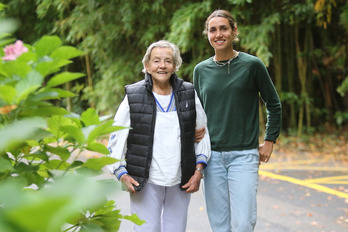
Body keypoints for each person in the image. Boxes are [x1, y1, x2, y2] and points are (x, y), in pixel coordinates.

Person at [107, 40, 210, 232]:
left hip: (181, 178)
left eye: (168, 61)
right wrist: (120, 172)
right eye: (156, 61)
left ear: (175, 65)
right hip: (145, 180)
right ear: (147, 66)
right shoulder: (133, 95)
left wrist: (198, 171)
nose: (162, 65)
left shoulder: (188, 93)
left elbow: (203, 134)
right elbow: (116, 137)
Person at [193, 10, 282, 232]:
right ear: (208, 35)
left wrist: (269, 140)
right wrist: (192, 133)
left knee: (244, 223)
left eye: (223, 28)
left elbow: (274, 104)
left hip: (244, 155)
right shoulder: (200, 70)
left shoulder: (252, 65)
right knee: (220, 225)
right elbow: (196, 111)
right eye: (213, 30)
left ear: (234, 31)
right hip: (211, 157)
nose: (218, 34)